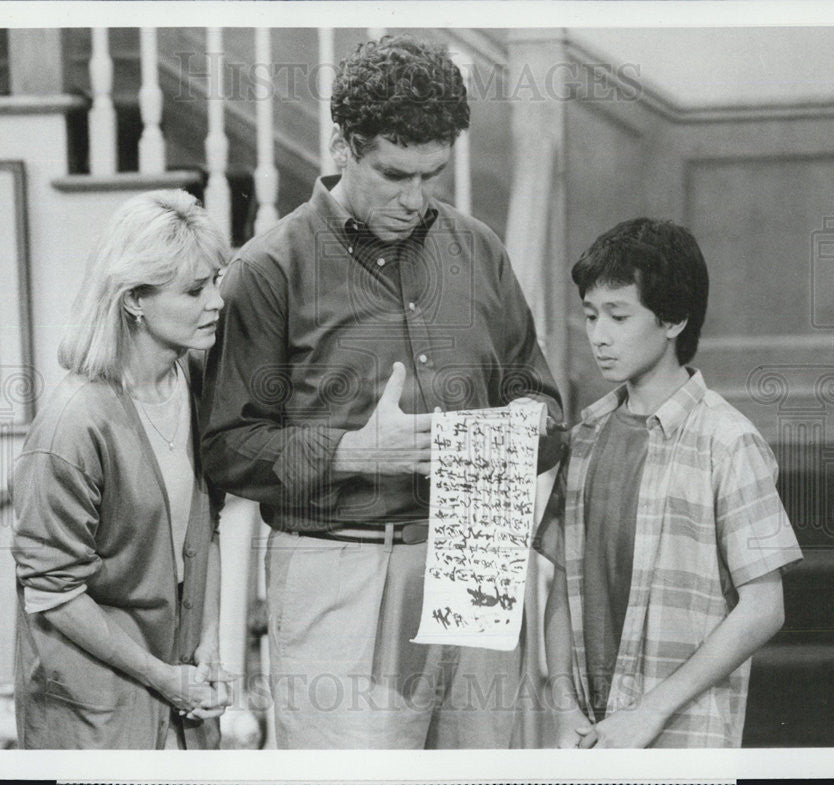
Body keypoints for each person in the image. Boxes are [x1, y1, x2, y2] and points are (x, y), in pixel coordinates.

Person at [200, 35, 563, 748]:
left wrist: (528, 422)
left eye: (431, 174)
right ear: (342, 147)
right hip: (341, 569)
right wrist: (351, 451)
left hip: (476, 550)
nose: (415, 198)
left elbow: (545, 403)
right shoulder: (268, 270)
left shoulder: (480, 249)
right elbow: (225, 450)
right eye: (394, 174)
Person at [535, 218, 803, 748]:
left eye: (617, 315)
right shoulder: (585, 436)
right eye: (590, 316)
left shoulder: (727, 441)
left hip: (683, 732)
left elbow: (764, 607)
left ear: (674, 319)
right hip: (588, 733)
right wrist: (563, 704)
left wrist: (651, 712)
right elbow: (563, 588)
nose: (598, 335)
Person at [11, 190, 232, 749]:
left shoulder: (199, 384)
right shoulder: (73, 422)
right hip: (97, 702)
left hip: (177, 684)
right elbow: (53, 591)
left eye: (215, 282)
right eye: (194, 290)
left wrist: (208, 641)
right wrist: (165, 679)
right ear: (135, 299)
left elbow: (205, 531)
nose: (216, 304)